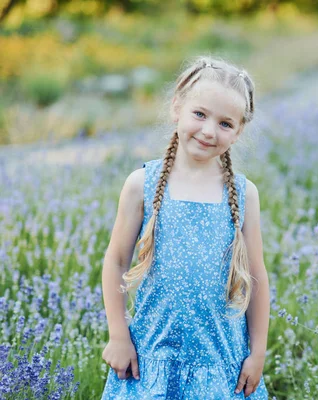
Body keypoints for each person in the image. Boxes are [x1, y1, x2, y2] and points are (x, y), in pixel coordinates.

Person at [100, 56, 270, 399]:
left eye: (225, 123)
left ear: (239, 132)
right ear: (177, 107)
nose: (209, 131)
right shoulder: (141, 185)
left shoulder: (243, 193)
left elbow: (256, 277)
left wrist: (258, 352)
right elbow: (116, 261)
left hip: (220, 363)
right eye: (200, 114)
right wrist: (118, 334)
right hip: (151, 359)